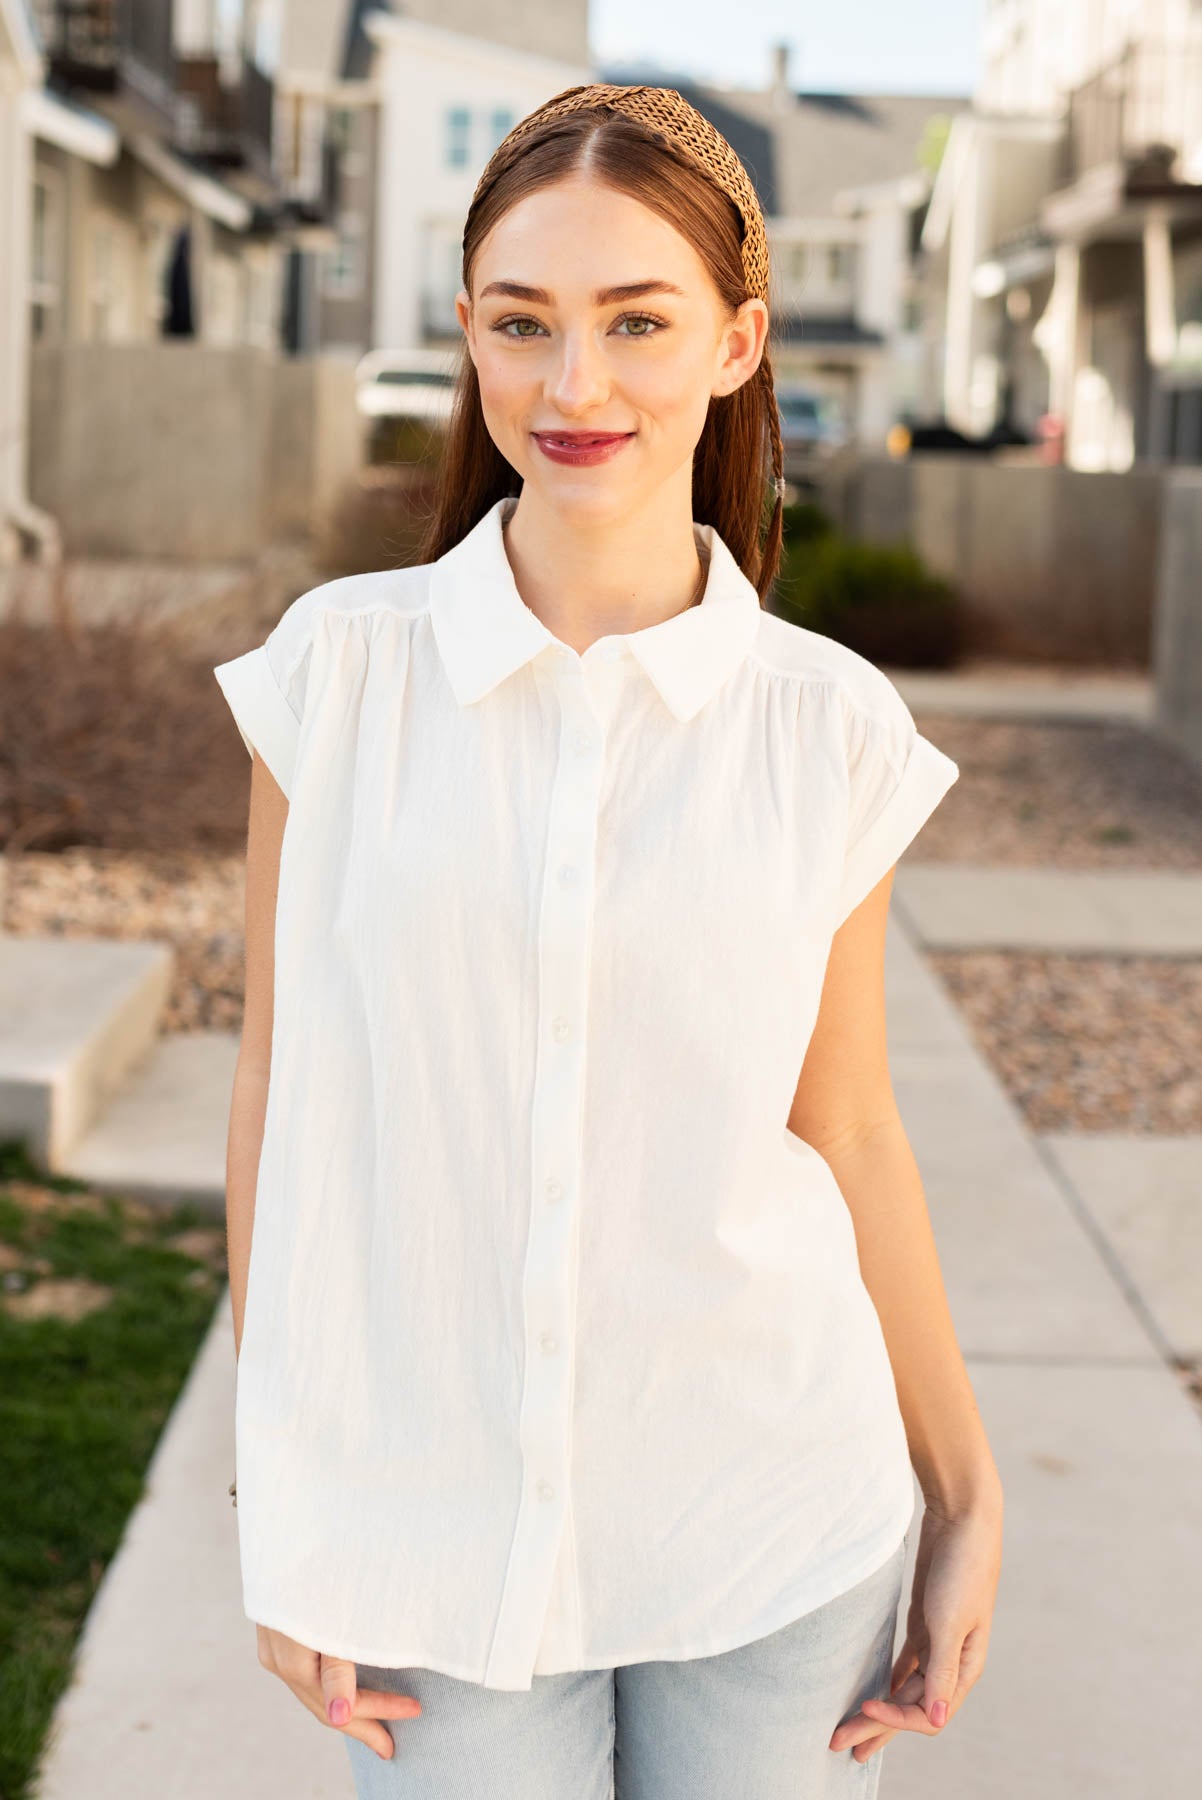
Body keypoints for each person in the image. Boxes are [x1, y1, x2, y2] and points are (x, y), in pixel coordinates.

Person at [213, 83, 1003, 1800]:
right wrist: (280, 1493)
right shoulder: (333, 679)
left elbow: (847, 1125)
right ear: (470, 336)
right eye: (524, 322)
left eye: (636, 322)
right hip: (431, 1534)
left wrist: (964, 1491)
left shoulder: (826, 724)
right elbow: (281, 1083)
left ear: (733, 342)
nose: (574, 386)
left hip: (770, 1522)